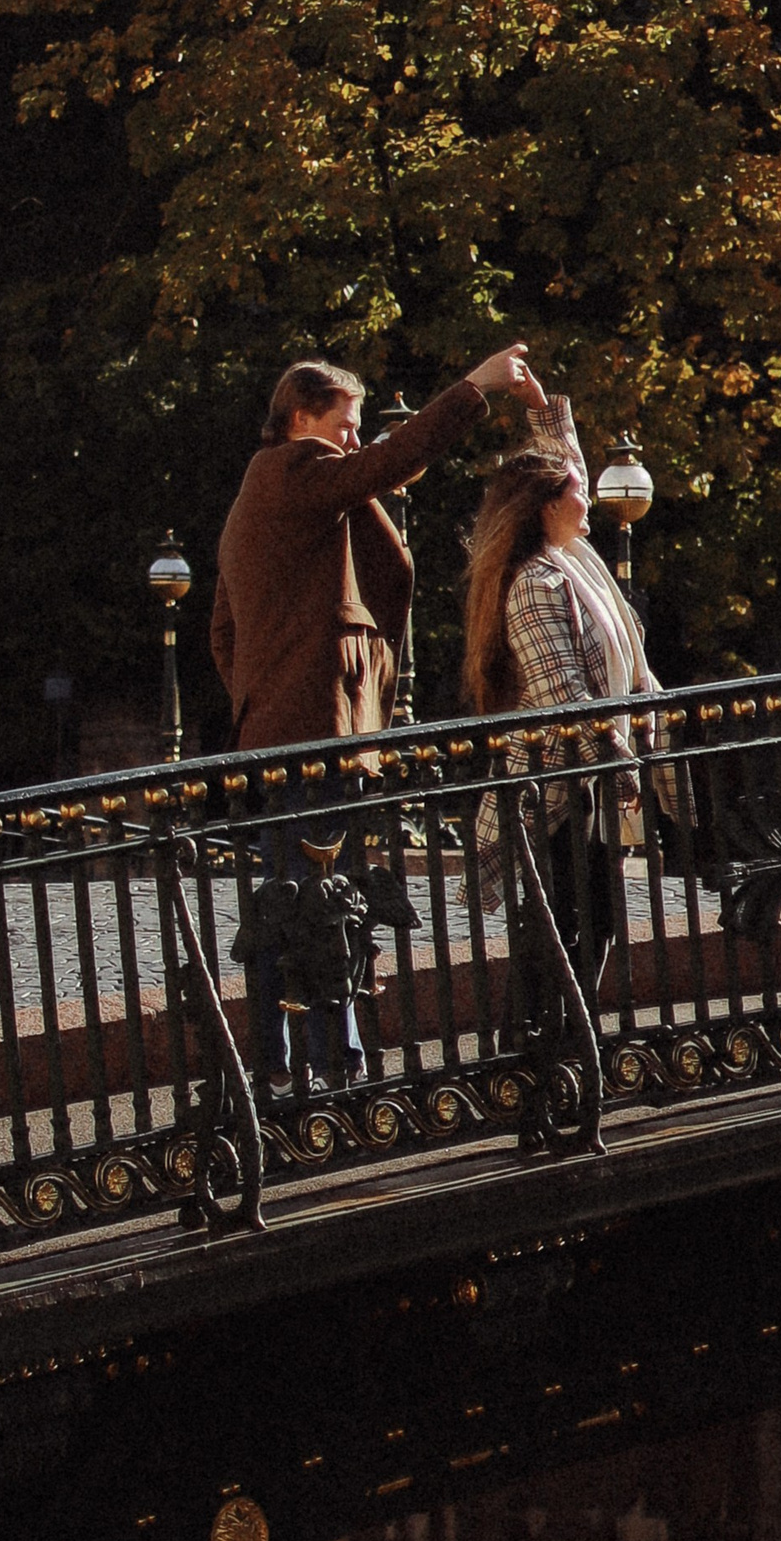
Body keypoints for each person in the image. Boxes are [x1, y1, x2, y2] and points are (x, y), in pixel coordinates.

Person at [212, 342, 547, 1094]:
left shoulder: (269, 495)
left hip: (300, 731)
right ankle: (332, 1069)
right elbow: (391, 461)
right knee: (318, 906)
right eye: (347, 423)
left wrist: (264, 697)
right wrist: (474, 385)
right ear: (301, 417)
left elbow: (222, 631)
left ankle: (290, 1064)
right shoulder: (292, 471)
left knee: (296, 901)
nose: (356, 440)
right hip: (315, 736)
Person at [462, 402, 663, 993]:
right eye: (578, 493)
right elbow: (563, 695)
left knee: (589, 923)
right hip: (557, 787)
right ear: (549, 507)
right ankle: (539, 1052)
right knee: (567, 926)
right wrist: (623, 769)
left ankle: (557, 1049)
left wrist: (538, 403)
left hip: (590, 780)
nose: (590, 500)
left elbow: (565, 464)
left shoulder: (573, 558)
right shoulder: (535, 582)